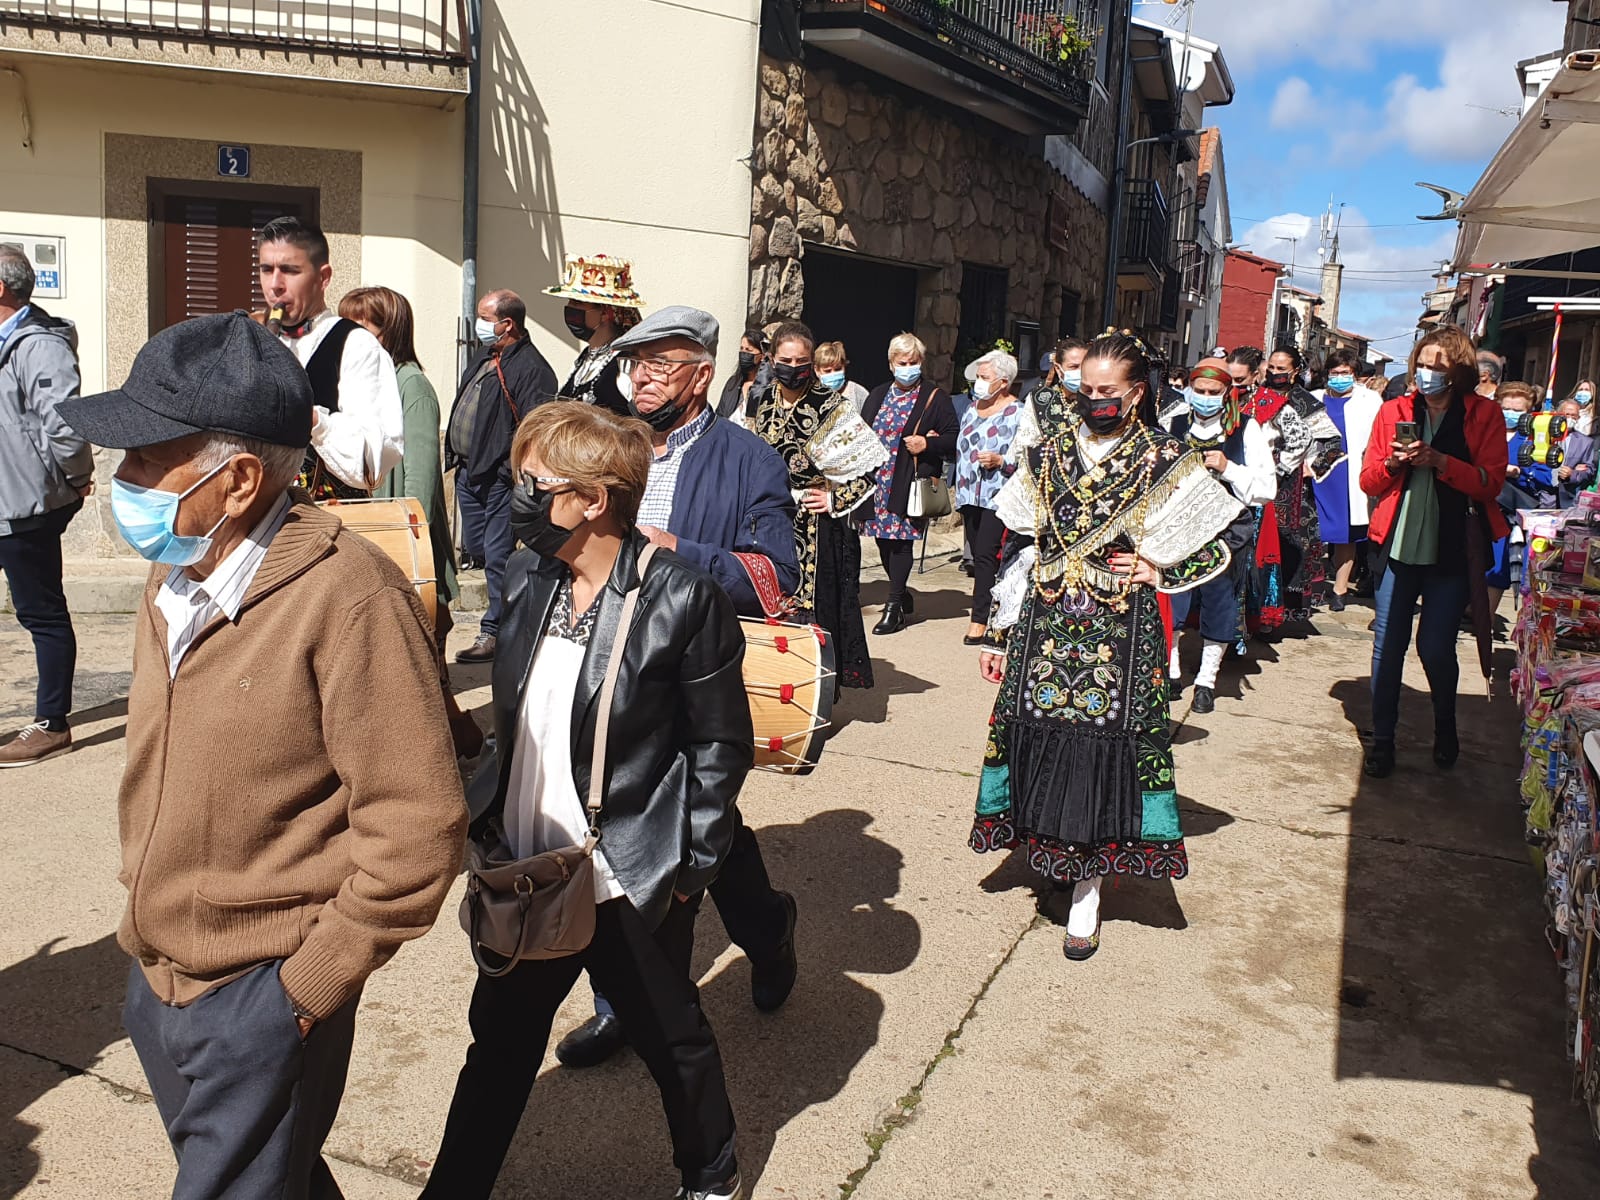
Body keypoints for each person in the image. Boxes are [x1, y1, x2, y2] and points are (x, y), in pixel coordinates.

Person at [58, 311, 465, 1198]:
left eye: (142, 459)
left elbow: (419, 829)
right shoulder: (177, 571)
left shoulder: (350, 598)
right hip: (158, 973)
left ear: (239, 479)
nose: (119, 482)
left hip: (263, 993)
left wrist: (300, 994)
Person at [422, 403, 747, 1200]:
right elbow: (518, 721)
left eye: (536, 483)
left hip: (626, 870)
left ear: (593, 500)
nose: (517, 495)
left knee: (670, 1036)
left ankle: (711, 1171)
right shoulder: (535, 579)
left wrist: (688, 867)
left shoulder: (682, 597)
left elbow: (719, 744)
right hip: (531, 865)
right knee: (498, 1046)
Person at [551, 305, 802, 1070]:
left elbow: (774, 578)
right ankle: (622, 1005)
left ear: (702, 373)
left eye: (662, 366)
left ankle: (762, 935)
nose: (643, 379)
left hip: (696, 675)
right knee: (610, 824)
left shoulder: (748, 458)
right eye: (636, 365)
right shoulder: (607, 443)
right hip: (605, 666)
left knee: (696, 825)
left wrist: (680, 550)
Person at [970, 334, 1244, 959]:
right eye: (1084, 389)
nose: (1092, 400)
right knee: (1038, 729)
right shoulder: (1046, 454)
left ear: (1137, 393)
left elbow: (1214, 540)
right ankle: (1050, 850)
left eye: (1107, 392)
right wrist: (998, 629)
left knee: (1103, 750)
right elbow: (1019, 545)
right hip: (1043, 623)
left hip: (1119, 630)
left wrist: (1158, 570)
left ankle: (1087, 890)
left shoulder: (1167, 456)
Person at [339, 285, 481, 760]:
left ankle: (444, 750)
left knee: (422, 666)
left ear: (390, 330)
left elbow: (419, 481)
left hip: (401, 545)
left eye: (362, 326)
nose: (351, 337)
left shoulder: (410, 386)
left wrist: (403, 542)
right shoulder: (366, 386)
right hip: (369, 536)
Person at [1360, 326, 1508, 779]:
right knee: (1387, 645)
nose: (1426, 375)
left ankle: (1445, 726)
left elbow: (1491, 482)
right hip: (1397, 543)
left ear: (1458, 370)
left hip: (1451, 546)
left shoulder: (1484, 415)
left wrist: (1441, 462)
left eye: (1437, 367)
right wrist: (1392, 463)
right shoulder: (1394, 411)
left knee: (1435, 646)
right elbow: (1368, 480)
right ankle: (1382, 739)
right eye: (1421, 365)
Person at [749, 321, 880, 690]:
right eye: (785, 359)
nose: (793, 367)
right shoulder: (763, 400)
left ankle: (815, 688)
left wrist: (834, 496)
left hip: (815, 525)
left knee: (816, 603)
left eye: (801, 360)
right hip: (768, 518)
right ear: (772, 358)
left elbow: (866, 465)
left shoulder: (830, 405)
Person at [0, 245, 92, 767]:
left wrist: (78, 478)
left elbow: (63, 422)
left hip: (25, 505)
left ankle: (52, 724)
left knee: (42, 613)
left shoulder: (39, 345)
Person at [446, 289, 559, 664]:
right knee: (477, 549)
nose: (478, 324)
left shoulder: (533, 368)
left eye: (484, 317)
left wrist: (508, 469)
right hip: (469, 471)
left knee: (496, 555)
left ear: (506, 324)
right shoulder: (487, 354)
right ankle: (511, 614)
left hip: (497, 477)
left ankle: (495, 633)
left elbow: (534, 427)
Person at [256, 216, 402, 500]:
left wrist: (311, 418)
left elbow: (371, 465)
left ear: (323, 278)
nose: (275, 285)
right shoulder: (256, 341)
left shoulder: (357, 346)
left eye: (289, 270)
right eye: (266, 269)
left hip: (328, 527)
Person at [1161, 357, 1275, 712]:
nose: (1206, 397)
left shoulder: (1247, 429)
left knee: (1220, 602)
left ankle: (1206, 681)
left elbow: (1266, 487)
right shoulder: (1172, 423)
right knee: (1173, 596)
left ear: (1228, 393)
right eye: (1199, 391)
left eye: (1214, 392)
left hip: (1226, 529)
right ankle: (1172, 671)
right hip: (1178, 527)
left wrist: (1229, 468)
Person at [859, 332, 958, 635]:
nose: (908, 367)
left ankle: (893, 608)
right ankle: (901, 592)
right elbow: (861, 432)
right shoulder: (878, 394)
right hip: (877, 483)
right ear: (891, 364)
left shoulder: (933, 397)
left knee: (901, 543)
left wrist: (928, 445)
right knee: (882, 542)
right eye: (903, 362)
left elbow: (954, 439)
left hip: (906, 481)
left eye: (914, 362)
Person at [1230, 346, 1311, 637]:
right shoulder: (1222, 401)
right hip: (1226, 486)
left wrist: (1277, 470)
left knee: (1254, 555)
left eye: (1240, 380)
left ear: (1254, 376)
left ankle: (1253, 618)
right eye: (1231, 379)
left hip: (1256, 488)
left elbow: (1302, 439)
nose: (1235, 386)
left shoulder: (1273, 403)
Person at [1263, 345, 1343, 618]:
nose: (1275, 374)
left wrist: (1313, 467)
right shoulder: (1256, 397)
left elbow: (1333, 442)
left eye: (1281, 369)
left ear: (1295, 371)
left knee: (1290, 546)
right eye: (1271, 368)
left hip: (1293, 488)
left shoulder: (1306, 403)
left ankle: (1283, 609)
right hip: (1257, 481)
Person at [954, 349, 1024, 645]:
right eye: (978, 377)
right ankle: (993, 610)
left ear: (1004, 382)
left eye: (985, 378)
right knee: (977, 557)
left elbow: (1024, 457)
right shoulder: (972, 408)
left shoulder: (1017, 413)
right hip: (970, 493)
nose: (978, 383)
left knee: (986, 554)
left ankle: (981, 619)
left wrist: (1000, 461)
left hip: (998, 495)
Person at [1313, 348, 1383, 612]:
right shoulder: (1314, 399)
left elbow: (1378, 436)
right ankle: (1310, 585)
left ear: (1354, 375)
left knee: (1345, 534)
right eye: (1334, 373)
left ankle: (1339, 589)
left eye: (1345, 373)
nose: (1339, 377)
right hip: (1317, 474)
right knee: (1313, 532)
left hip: (1349, 474)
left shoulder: (1370, 400)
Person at [545, 252, 645, 415]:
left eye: (577, 303)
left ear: (605, 313)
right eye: (570, 301)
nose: (570, 308)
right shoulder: (584, 358)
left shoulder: (625, 363)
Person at [718, 327, 769, 421]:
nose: (744, 353)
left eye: (749, 350)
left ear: (762, 356)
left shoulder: (769, 387)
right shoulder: (732, 384)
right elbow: (720, 415)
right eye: (742, 349)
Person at [1557, 395, 1598, 506]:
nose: (1570, 418)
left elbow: (1589, 470)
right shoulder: (1544, 436)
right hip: (1542, 496)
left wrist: (1573, 473)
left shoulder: (1585, 442)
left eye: (1574, 415)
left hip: (1567, 497)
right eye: (1567, 414)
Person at [814, 339, 870, 412]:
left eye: (837, 369)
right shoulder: (811, 397)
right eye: (827, 371)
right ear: (817, 370)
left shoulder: (858, 392)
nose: (833, 374)